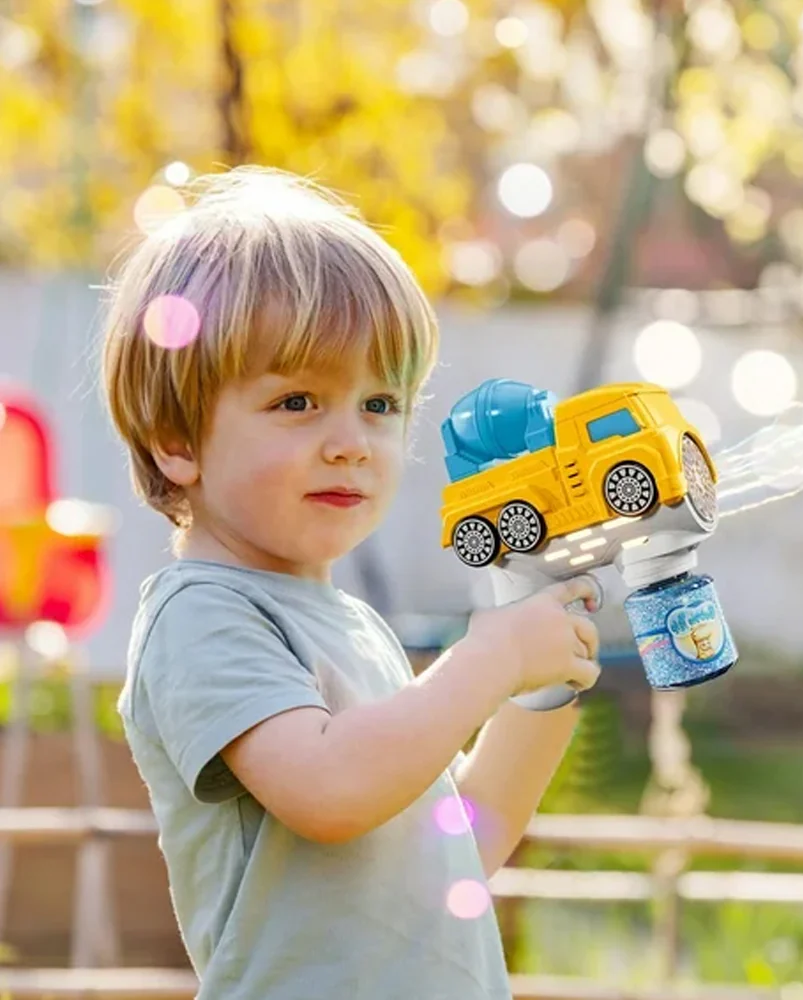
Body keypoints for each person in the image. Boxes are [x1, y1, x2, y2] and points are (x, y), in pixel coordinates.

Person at [100, 166, 602, 999]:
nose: (351, 442)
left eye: (379, 403)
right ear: (176, 440)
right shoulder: (201, 617)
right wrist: (492, 661)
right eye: (299, 402)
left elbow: (466, 843)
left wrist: (544, 678)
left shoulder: (353, 627)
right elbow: (331, 791)